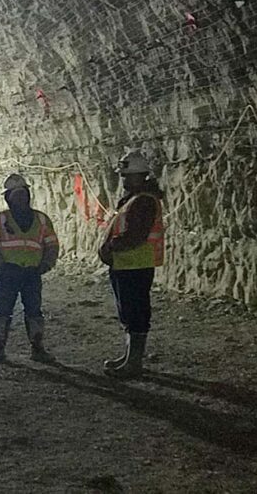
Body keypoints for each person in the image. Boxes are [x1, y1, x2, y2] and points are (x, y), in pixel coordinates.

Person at [99, 151, 166, 378]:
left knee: (135, 312)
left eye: (128, 176)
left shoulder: (143, 201)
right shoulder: (135, 199)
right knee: (129, 312)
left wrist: (112, 246)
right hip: (127, 264)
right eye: (123, 176)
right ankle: (129, 357)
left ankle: (134, 362)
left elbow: (135, 235)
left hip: (135, 263)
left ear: (142, 176)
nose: (124, 180)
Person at [0, 174, 60, 364]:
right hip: (9, 274)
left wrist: (45, 265)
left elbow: (52, 245)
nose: (20, 199)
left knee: (34, 311)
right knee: (3, 311)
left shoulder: (41, 220)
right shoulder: (0, 220)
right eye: (15, 195)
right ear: (8, 198)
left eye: (22, 194)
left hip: (32, 274)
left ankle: (38, 348)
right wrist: (1, 266)